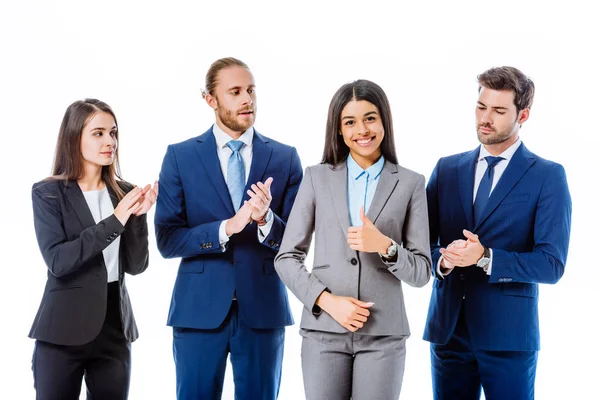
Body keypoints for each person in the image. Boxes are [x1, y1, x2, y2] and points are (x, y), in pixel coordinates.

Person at [154, 57, 303, 399]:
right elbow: (167, 239)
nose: (247, 99)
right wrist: (226, 228)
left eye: (250, 90)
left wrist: (266, 220)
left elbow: (297, 242)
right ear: (210, 99)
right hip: (198, 313)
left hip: (262, 312)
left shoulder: (284, 157)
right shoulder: (180, 157)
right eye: (235, 92)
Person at [275, 79, 431, 400]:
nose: (362, 129)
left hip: (383, 336)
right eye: (350, 121)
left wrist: (385, 246)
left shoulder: (411, 184)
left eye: (370, 118)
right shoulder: (316, 178)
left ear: (384, 121)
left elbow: (422, 272)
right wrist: (327, 302)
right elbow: (286, 257)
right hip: (324, 334)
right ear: (339, 130)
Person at [423, 66, 572, 400]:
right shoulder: (446, 169)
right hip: (448, 331)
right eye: (481, 107)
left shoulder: (547, 176)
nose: (485, 118)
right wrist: (444, 262)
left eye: (499, 110)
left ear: (524, 115)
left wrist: (486, 258)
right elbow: (421, 244)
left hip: (509, 337)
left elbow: (551, 264)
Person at [29, 98, 157, 399]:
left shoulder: (124, 192)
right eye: (98, 133)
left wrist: (138, 219)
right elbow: (58, 261)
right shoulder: (48, 193)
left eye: (113, 133)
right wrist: (116, 220)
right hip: (61, 331)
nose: (109, 141)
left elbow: (136, 266)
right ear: (75, 137)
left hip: (115, 327)